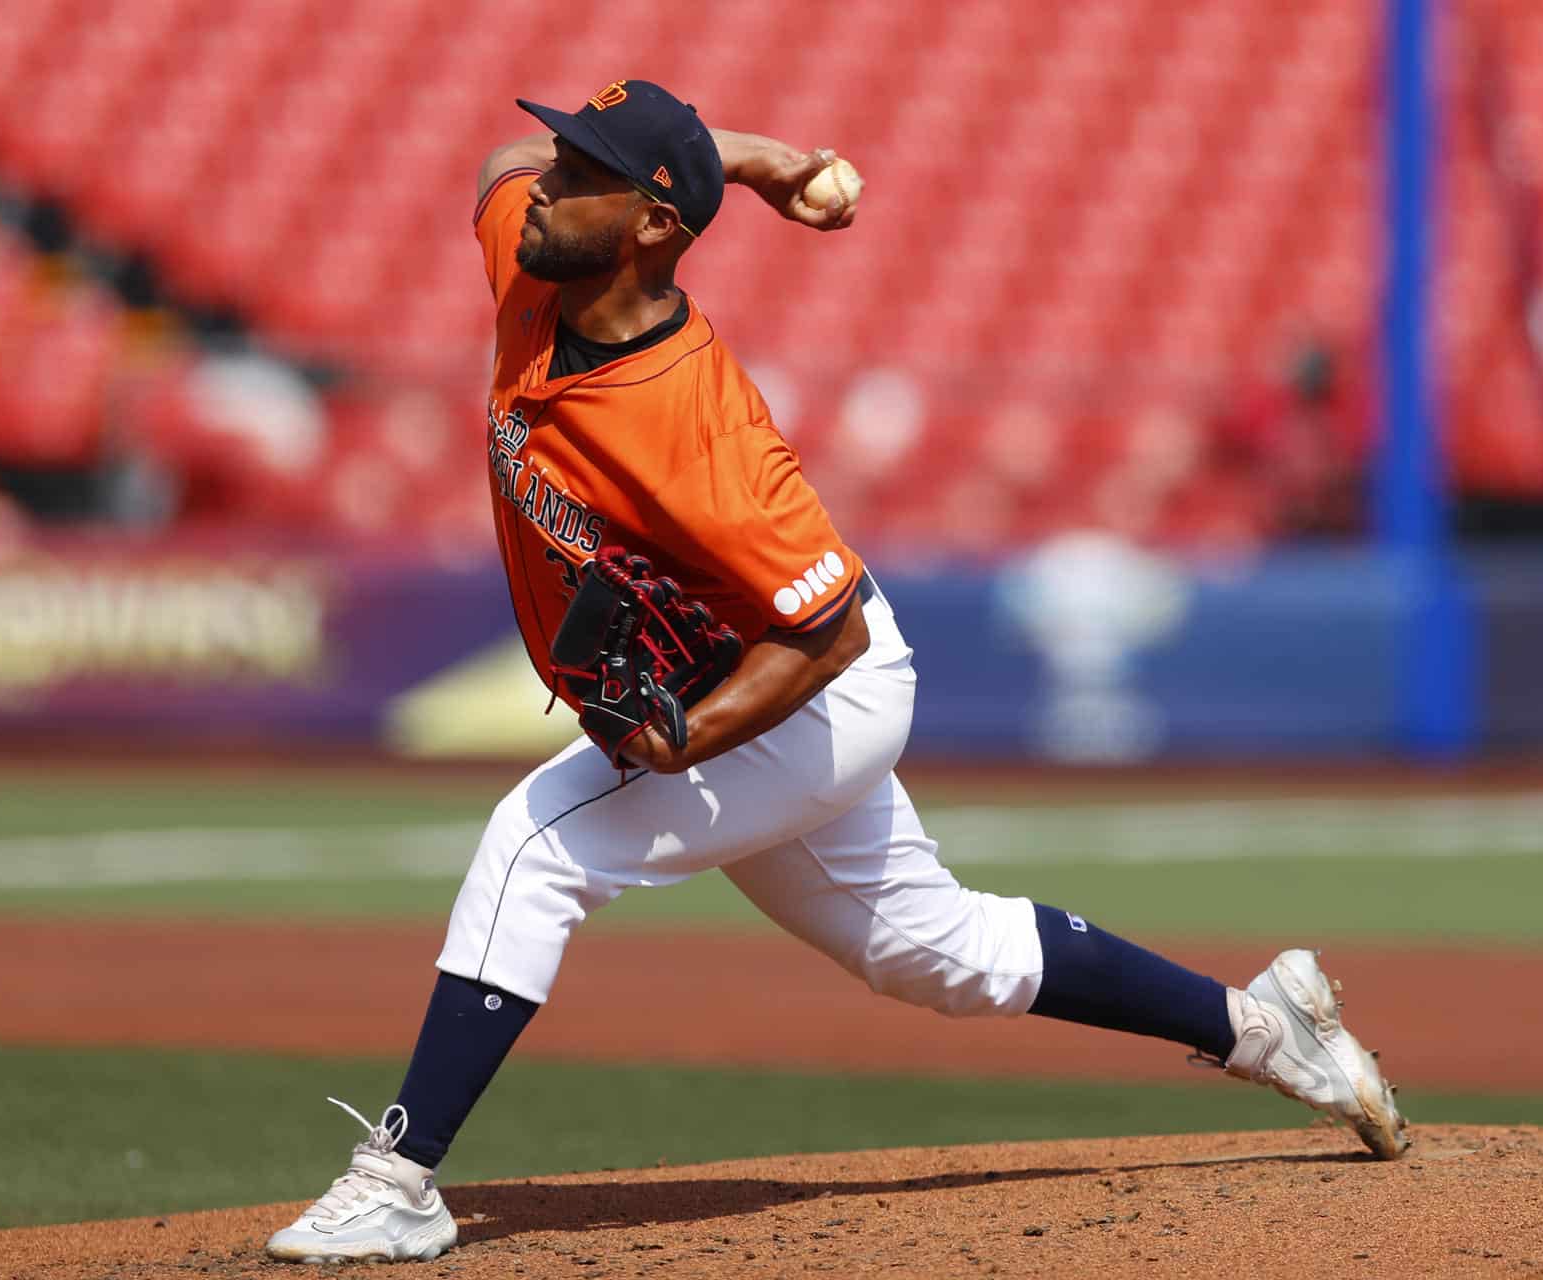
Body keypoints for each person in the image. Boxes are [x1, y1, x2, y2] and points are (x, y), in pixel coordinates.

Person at [265, 79, 1408, 1266]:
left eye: (582, 170)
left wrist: (689, 741)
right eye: (563, 156)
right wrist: (756, 162)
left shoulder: (697, 430)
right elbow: (501, 162)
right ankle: (1270, 1026)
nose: (544, 183)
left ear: (653, 223)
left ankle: (400, 1176)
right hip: (755, 678)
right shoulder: (537, 251)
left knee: (536, 843)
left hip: (810, 685)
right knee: (934, 952)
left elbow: (829, 637)